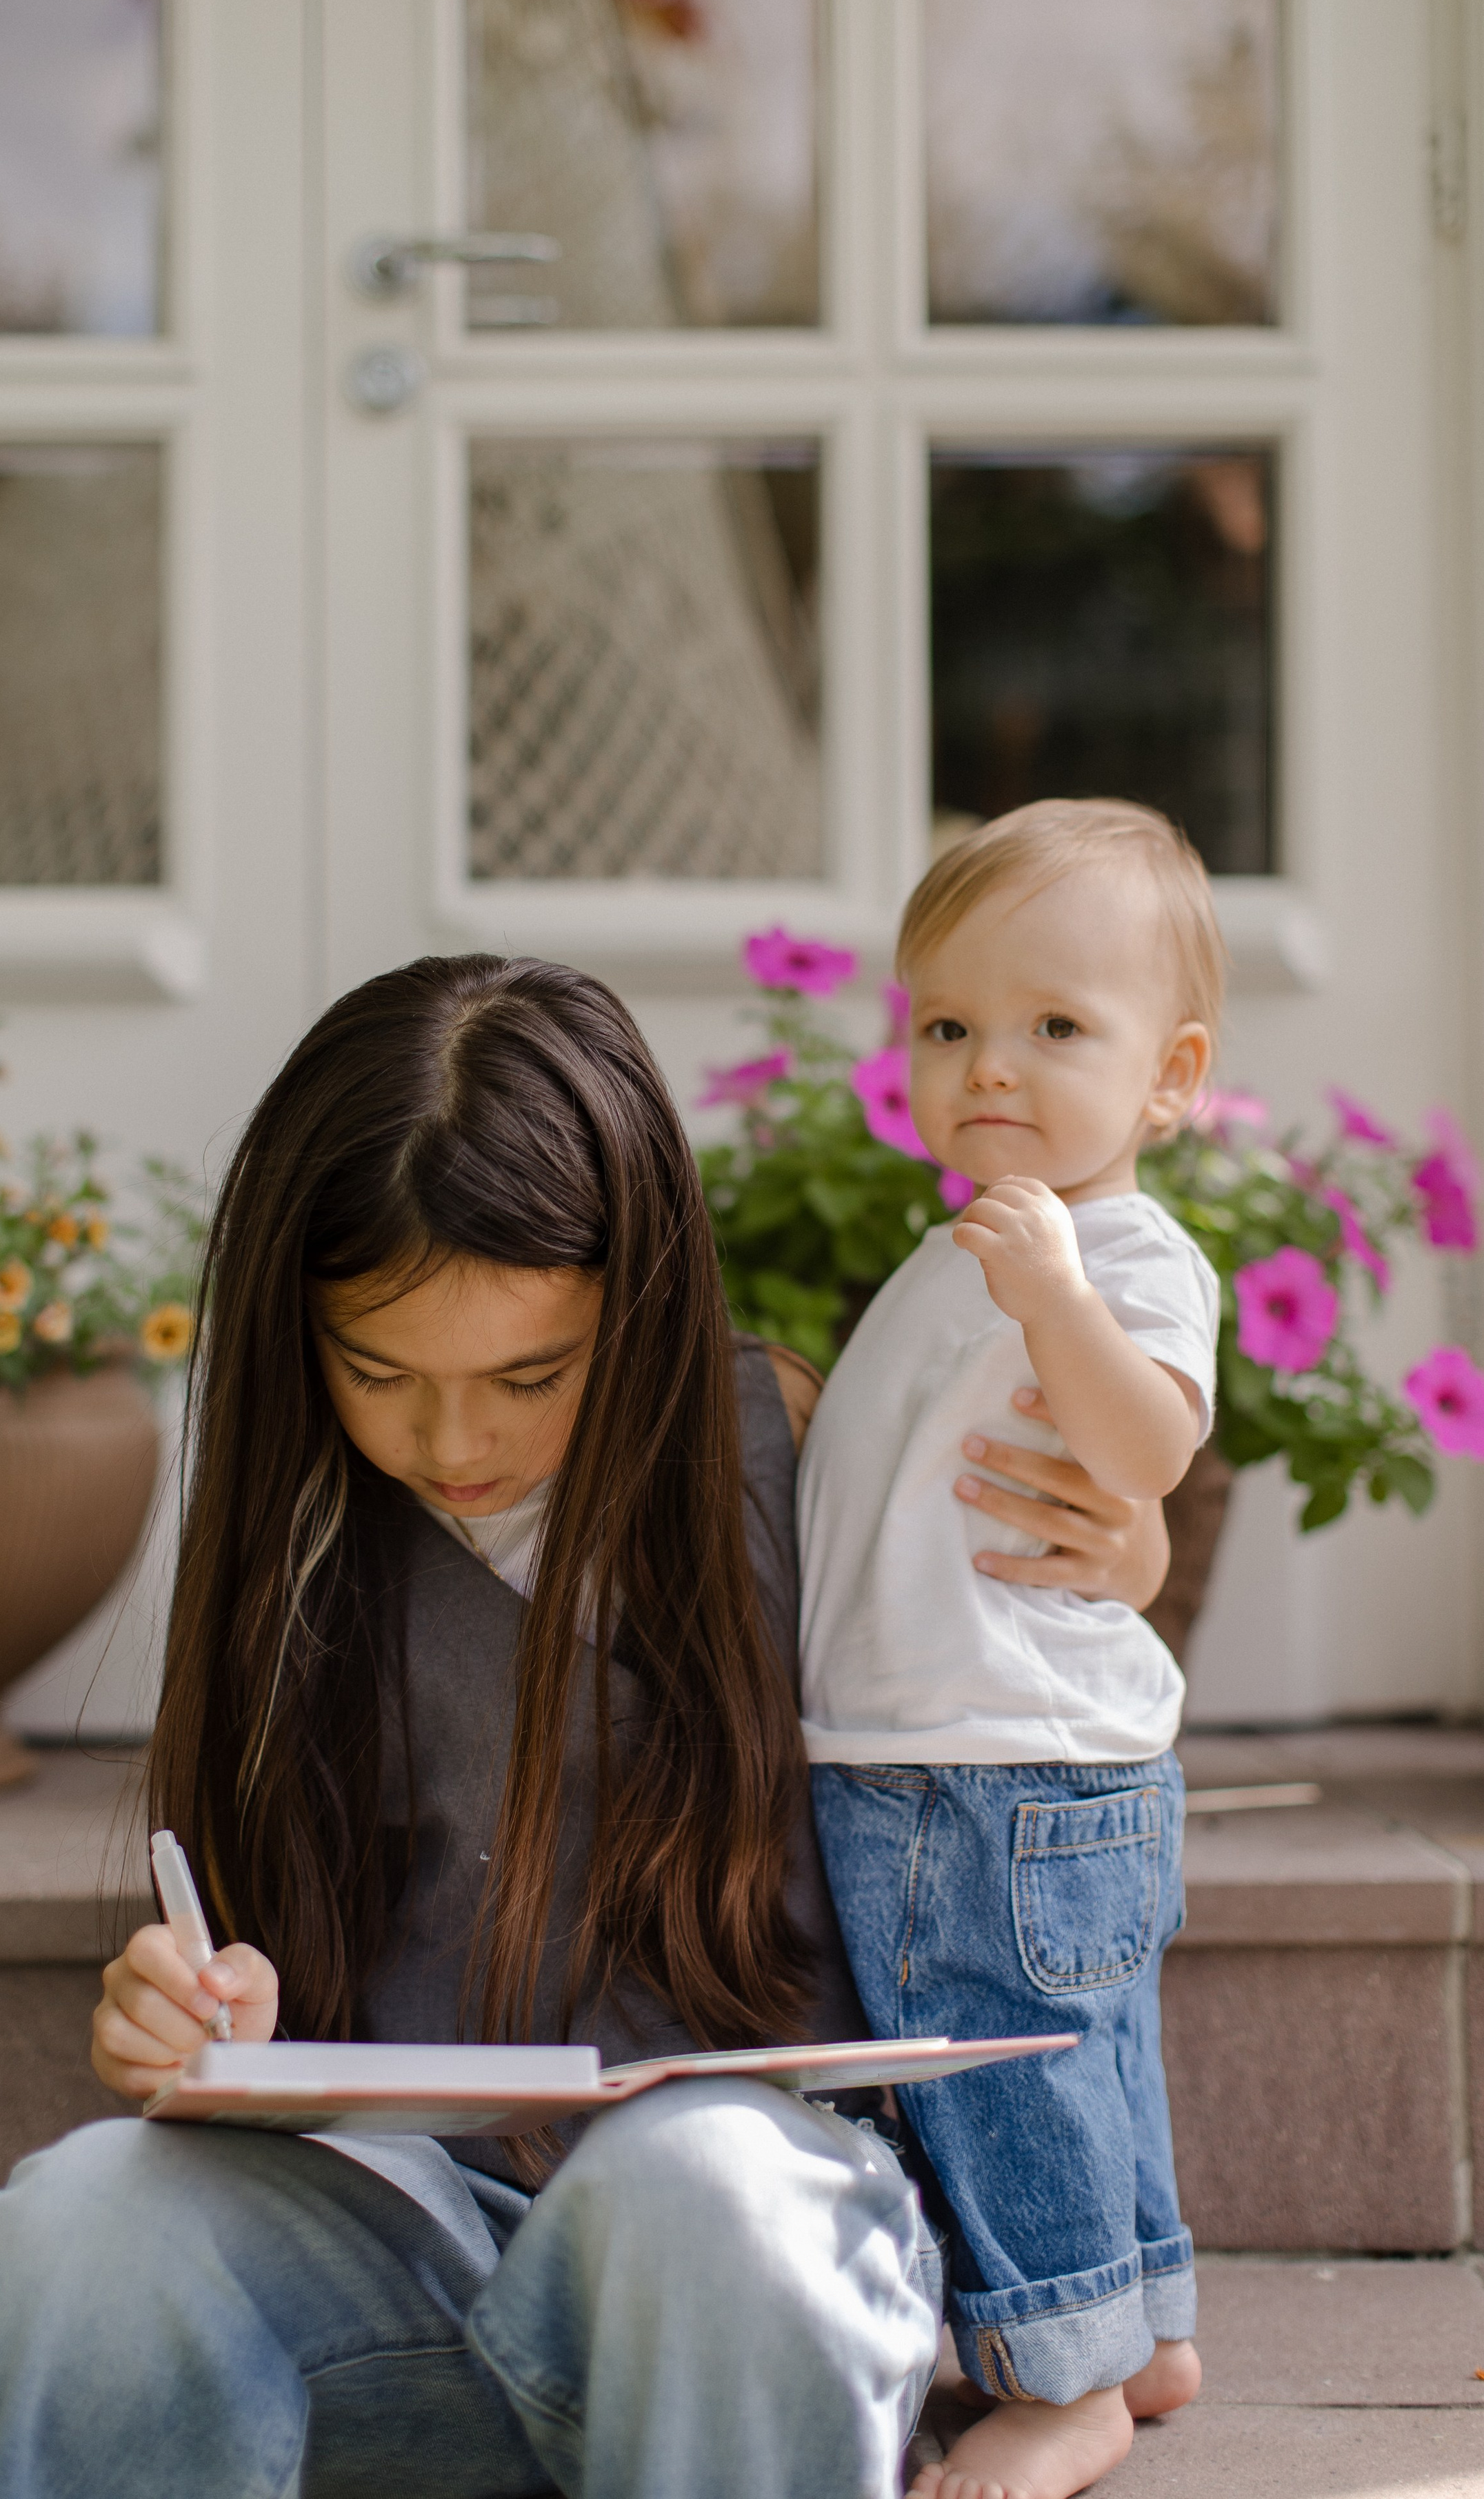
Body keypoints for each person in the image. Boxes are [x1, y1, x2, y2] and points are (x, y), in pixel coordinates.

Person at [0, 952, 1170, 2499]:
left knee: (700, 2187)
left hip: (736, 2259)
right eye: (375, 1369)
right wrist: (197, 2009)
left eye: (531, 1374)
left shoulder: (780, 1449)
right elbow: (269, 1966)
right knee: (64, 2234)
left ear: (637, 1308)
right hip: (410, 2251)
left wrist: (1127, 1556)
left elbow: (1027, 1698)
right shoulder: (303, 1538)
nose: (452, 1441)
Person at [799, 802, 1223, 2499]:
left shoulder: (1114, 1251)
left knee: (993, 2069)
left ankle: (1063, 2386)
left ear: (1168, 1078)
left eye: (1055, 1027)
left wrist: (1056, 1300)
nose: (989, 1066)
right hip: (975, 1744)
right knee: (1084, 2050)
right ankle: (1149, 2322)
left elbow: (1145, 1452)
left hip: (994, 1758)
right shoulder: (959, 1242)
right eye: (948, 1026)